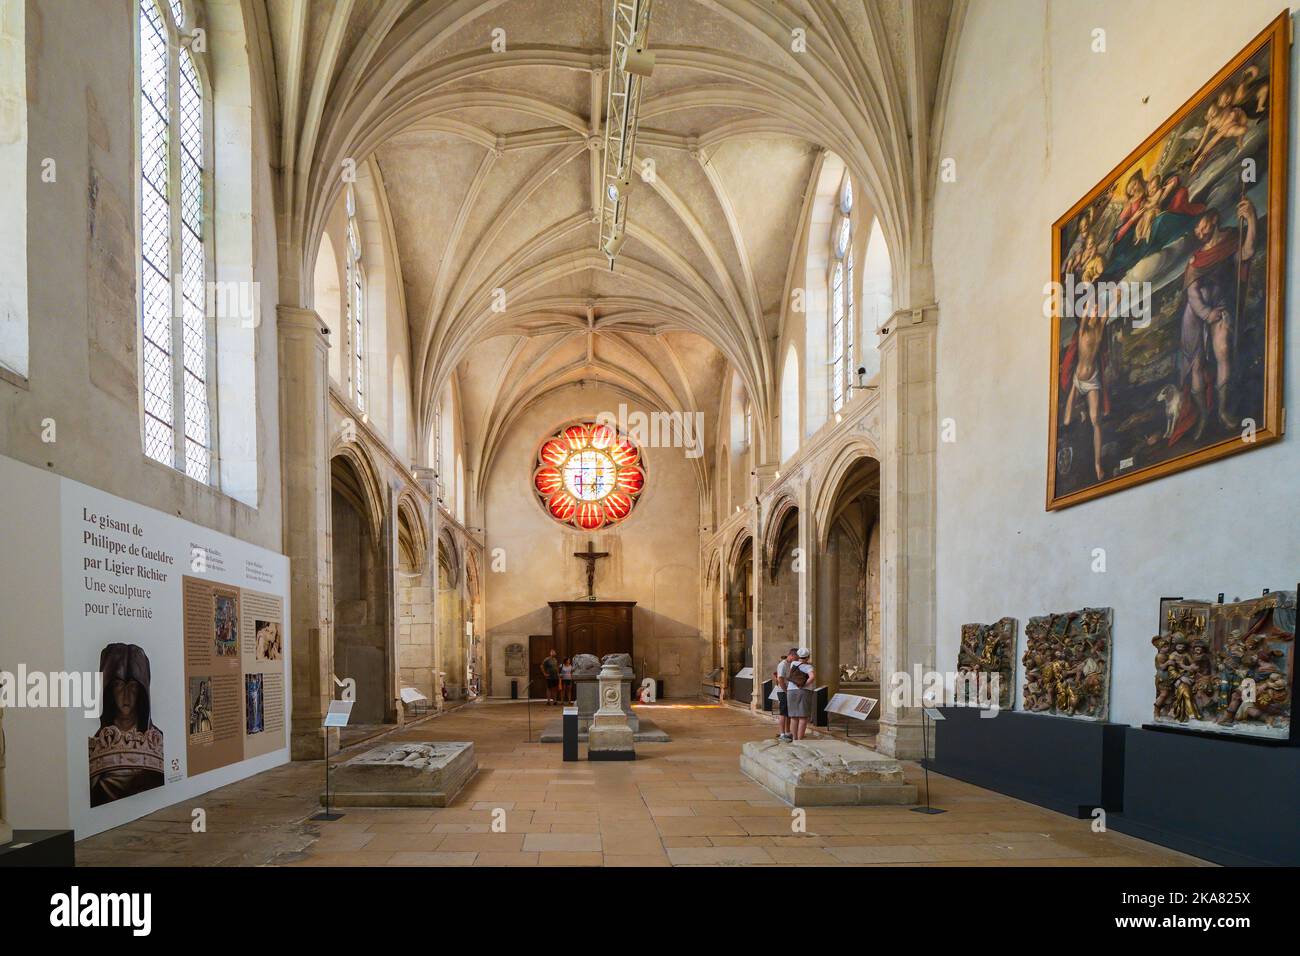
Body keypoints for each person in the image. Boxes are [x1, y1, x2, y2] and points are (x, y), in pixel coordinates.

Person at [784, 648, 816, 741]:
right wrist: (804, 684)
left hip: (791, 691)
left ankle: (794, 738)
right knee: (803, 716)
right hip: (804, 691)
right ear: (808, 657)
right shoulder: (809, 667)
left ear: (798, 656)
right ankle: (800, 739)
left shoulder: (793, 664)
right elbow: (812, 677)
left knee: (794, 716)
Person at [773, 647, 798, 742]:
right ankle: (782, 733)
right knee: (783, 713)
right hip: (783, 691)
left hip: (789, 690)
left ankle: (788, 732)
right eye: (796, 658)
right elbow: (780, 679)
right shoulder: (782, 665)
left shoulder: (790, 664)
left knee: (788, 713)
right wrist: (786, 691)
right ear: (792, 655)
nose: (796, 660)